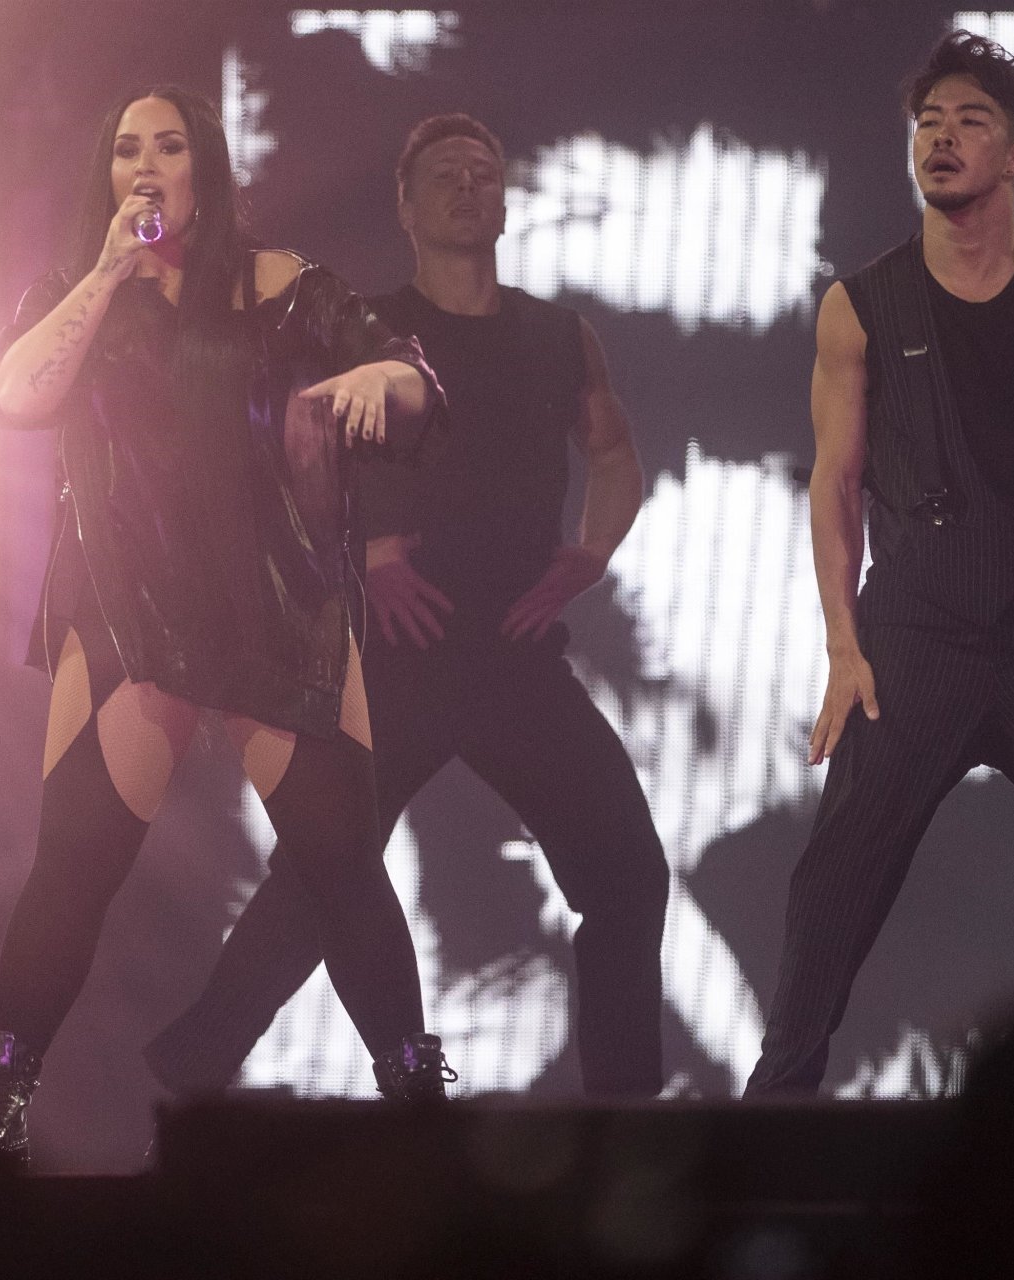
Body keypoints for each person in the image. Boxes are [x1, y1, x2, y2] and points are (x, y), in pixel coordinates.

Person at [0, 86, 451, 1167]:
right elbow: (12, 396)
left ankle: (417, 1099)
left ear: (203, 170)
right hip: (129, 605)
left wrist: (381, 374)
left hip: (273, 602)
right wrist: (104, 274)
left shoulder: (283, 286)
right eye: (126, 148)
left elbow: (413, 383)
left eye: (168, 147)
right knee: (73, 865)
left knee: (339, 863)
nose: (145, 166)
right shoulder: (78, 292)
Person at [146, 114, 670, 1098]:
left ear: (505, 202)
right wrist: (371, 550)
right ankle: (188, 1066)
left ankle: (626, 1113)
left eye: (484, 172)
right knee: (318, 880)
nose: (468, 187)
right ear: (405, 205)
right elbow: (293, 454)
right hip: (391, 658)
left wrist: (591, 553)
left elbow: (612, 453)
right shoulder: (371, 327)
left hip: (515, 656)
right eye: (444, 175)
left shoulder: (558, 336)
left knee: (628, 878)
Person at [745, 30, 1014, 1094]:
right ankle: (778, 1099)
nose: (939, 139)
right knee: (837, 875)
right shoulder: (860, 304)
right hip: (914, 634)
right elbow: (835, 480)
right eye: (926, 123)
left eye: (968, 121)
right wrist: (842, 645)